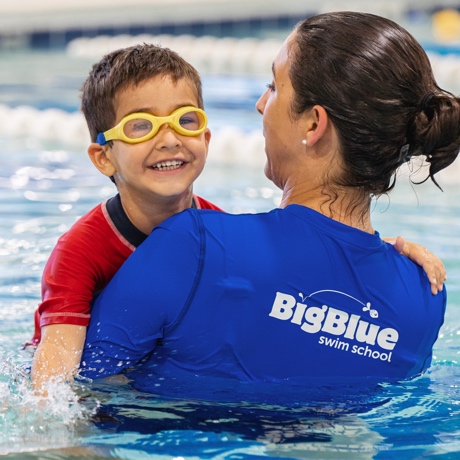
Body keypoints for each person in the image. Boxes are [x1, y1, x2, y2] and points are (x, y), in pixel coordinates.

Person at [79, 12, 458, 387]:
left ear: (313, 124)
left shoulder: (193, 244)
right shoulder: (425, 297)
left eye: (274, 87)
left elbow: (70, 391)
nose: (262, 103)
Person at [29, 44, 222, 391]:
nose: (169, 139)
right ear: (104, 157)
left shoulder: (221, 232)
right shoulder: (79, 251)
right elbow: (53, 376)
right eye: (141, 126)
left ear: (205, 138)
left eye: (186, 120)